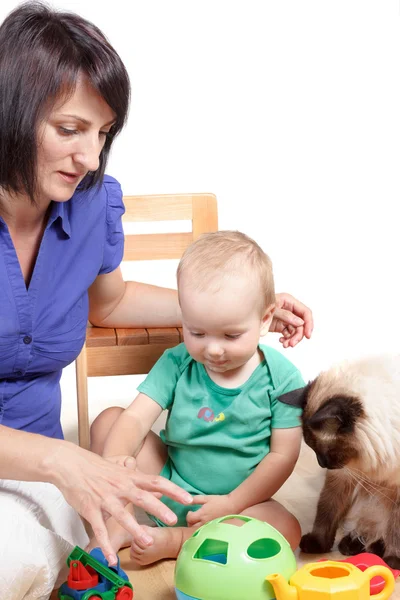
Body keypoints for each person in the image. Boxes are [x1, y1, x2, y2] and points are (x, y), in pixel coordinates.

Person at [0, 2, 312, 595]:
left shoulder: (89, 200)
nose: (90, 158)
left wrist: (234, 312)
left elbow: (109, 304)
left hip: (42, 473)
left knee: (44, 558)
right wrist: (65, 462)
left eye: (102, 134)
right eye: (69, 130)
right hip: (47, 464)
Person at [90, 231, 305, 565]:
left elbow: (283, 457)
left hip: (239, 504)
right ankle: (120, 522)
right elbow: (135, 418)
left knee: (287, 528)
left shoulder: (283, 378)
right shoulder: (178, 362)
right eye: (197, 332)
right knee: (109, 421)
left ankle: (177, 541)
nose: (213, 349)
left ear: (265, 319)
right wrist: (117, 460)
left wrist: (233, 502)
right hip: (170, 484)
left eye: (231, 335)